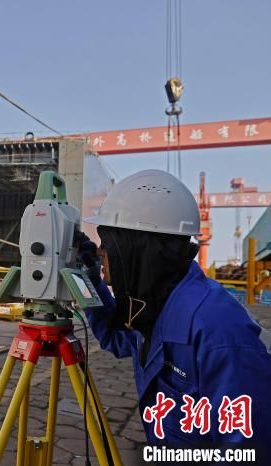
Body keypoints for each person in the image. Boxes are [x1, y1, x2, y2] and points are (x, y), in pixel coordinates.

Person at [78, 169, 271, 456]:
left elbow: (246, 450)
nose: (101, 251)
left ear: (139, 249)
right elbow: (116, 338)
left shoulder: (218, 330)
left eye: (109, 242)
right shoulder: (152, 305)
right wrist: (89, 276)